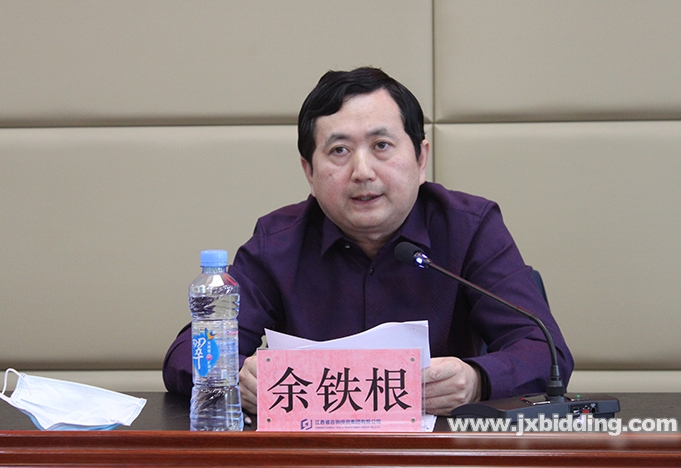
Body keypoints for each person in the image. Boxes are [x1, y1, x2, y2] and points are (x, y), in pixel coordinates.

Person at [163, 67, 574, 416]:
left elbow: (544, 350)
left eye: (381, 146)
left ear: (421, 158)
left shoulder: (469, 227)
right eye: (339, 150)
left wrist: (476, 379)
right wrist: (237, 377)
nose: (362, 171)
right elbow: (188, 352)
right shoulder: (278, 242)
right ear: (309, 171)